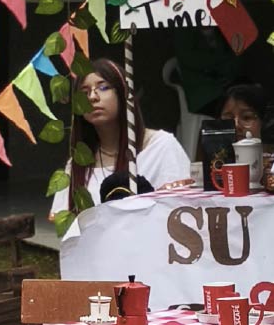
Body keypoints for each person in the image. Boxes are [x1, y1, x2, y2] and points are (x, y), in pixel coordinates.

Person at [50, 58, 191, 217]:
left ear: (124, 93)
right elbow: (67, 225)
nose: (92, 97)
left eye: (103, 87)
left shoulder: (160, 146)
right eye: (84, 92)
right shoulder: (77, 163)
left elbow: (182, 213)